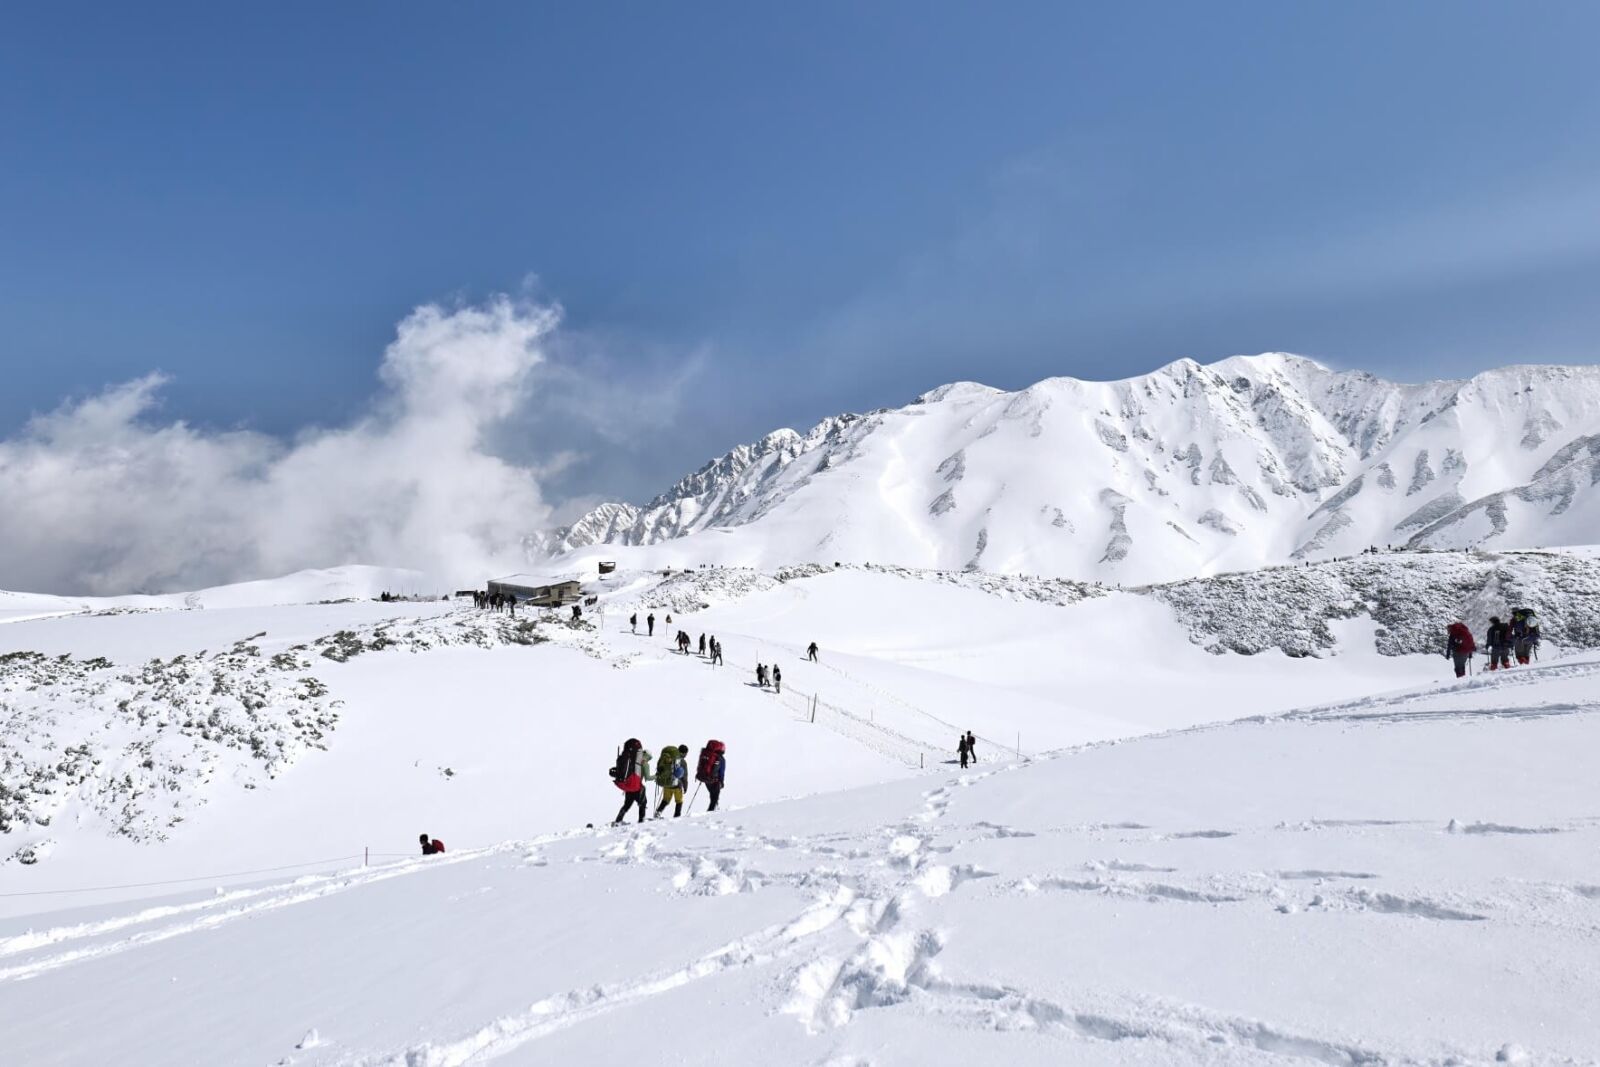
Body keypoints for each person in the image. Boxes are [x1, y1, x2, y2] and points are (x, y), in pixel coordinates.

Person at [613, 742, 653, 825]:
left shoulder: (633, 761)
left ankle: (618, 820)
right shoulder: (644, 764)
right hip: (637, 787)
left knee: (626, 805)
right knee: (642, 803)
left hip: (628, 786)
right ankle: (641, 820)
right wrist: (657, 776)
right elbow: (648, 778)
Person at [654, 745, 689, 818]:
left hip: (667, 783)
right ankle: (677, 816)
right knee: (679, 801)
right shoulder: (682, 762)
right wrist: (685, 786)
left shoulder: (669, 758)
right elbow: (684, 776)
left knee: (665, 800)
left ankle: (658, 812)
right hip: (677, 785)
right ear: (684, 753)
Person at [705, 746, 726, 812]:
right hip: (715, 780)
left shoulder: (710, 756)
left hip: (707, 779)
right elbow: (721, 772)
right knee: (714, 799)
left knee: (712, 796)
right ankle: (710, 813)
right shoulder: (721, 759)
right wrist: (722, 782)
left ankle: (713, 810)